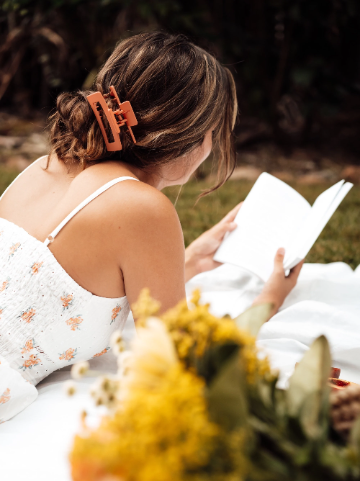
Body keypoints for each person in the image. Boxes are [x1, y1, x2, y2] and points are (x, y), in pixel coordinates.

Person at [0, 31, 302, 421]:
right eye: (214, 132)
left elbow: (59, 276)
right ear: (188, 136)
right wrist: (270, 300)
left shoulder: (48, 164)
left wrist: (188, 259)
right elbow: (180, 363)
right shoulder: (143, 209)